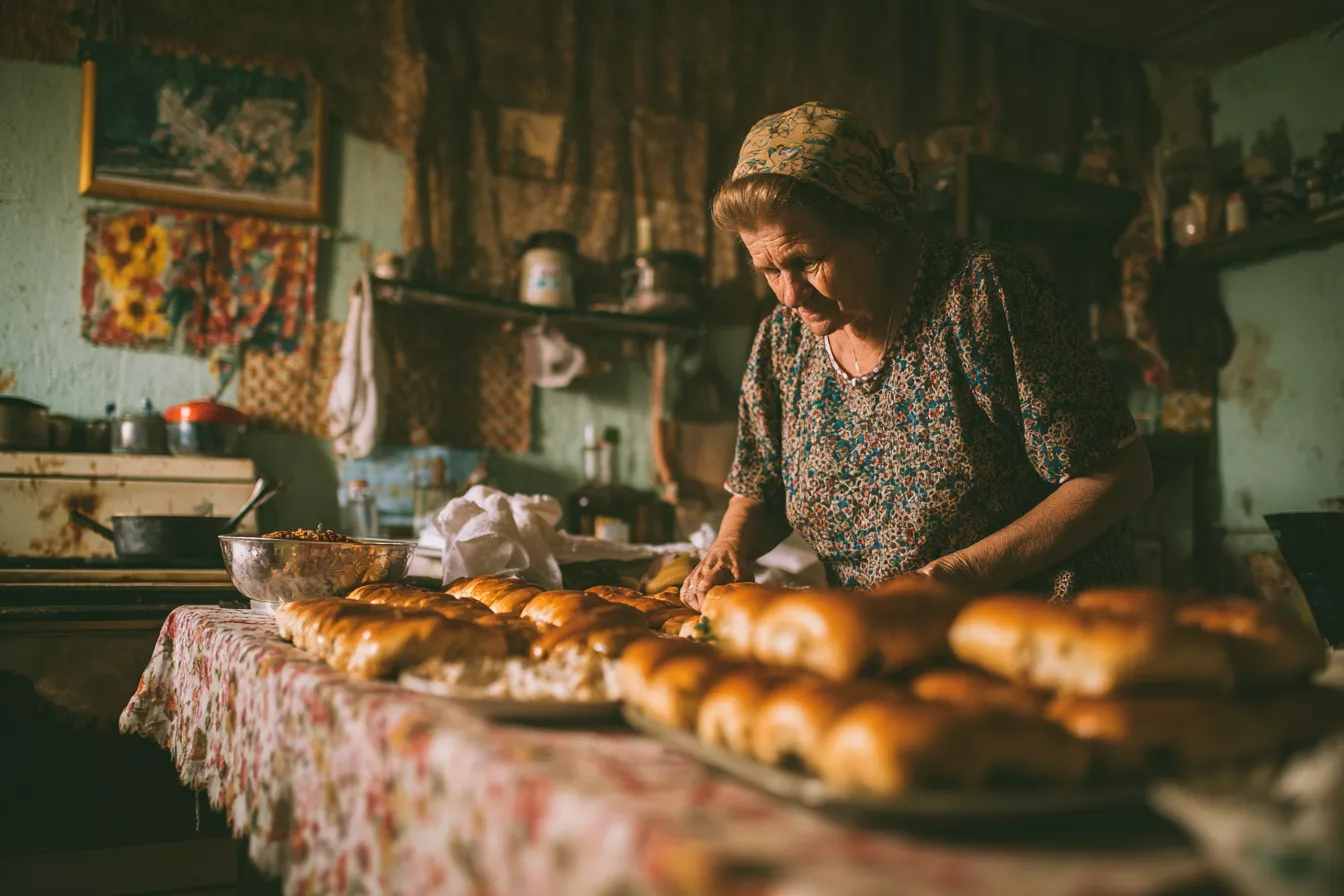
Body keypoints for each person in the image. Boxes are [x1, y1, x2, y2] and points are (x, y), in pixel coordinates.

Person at [680, 102, 1153, 609]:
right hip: (892, 638)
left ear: (872, 227)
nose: (790, 295)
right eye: (769, 271)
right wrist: (730, 546)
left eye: (806, 261)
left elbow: (1118, 476)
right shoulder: (782, 343)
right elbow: (760, 485)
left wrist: (955, 577)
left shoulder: (981, 294)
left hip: (1040, 633)